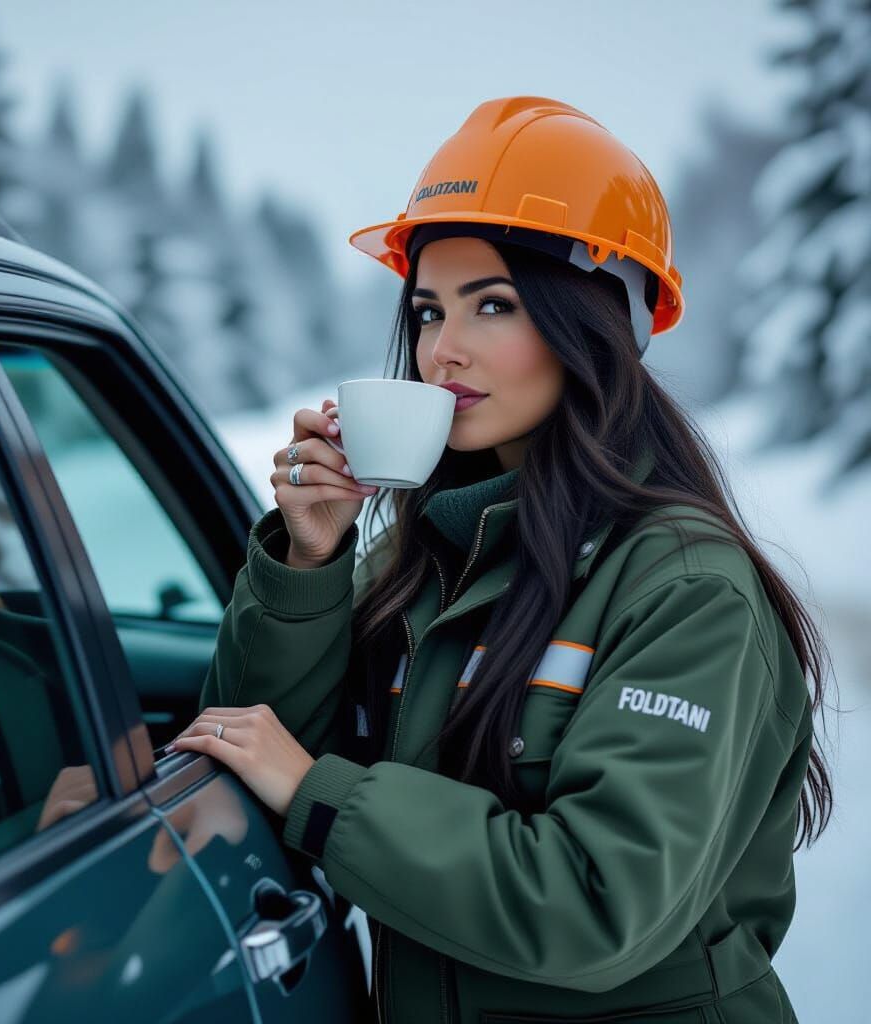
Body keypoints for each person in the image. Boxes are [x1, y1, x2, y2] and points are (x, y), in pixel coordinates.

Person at [166, 97, 832, 1023]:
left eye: (494, 305)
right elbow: (262, 746)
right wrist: (311, 561)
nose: (444, 350)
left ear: (596, 323)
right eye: (429, 310)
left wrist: (319, 794)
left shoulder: (687, 591)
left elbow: (599, 904)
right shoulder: (434, 549)